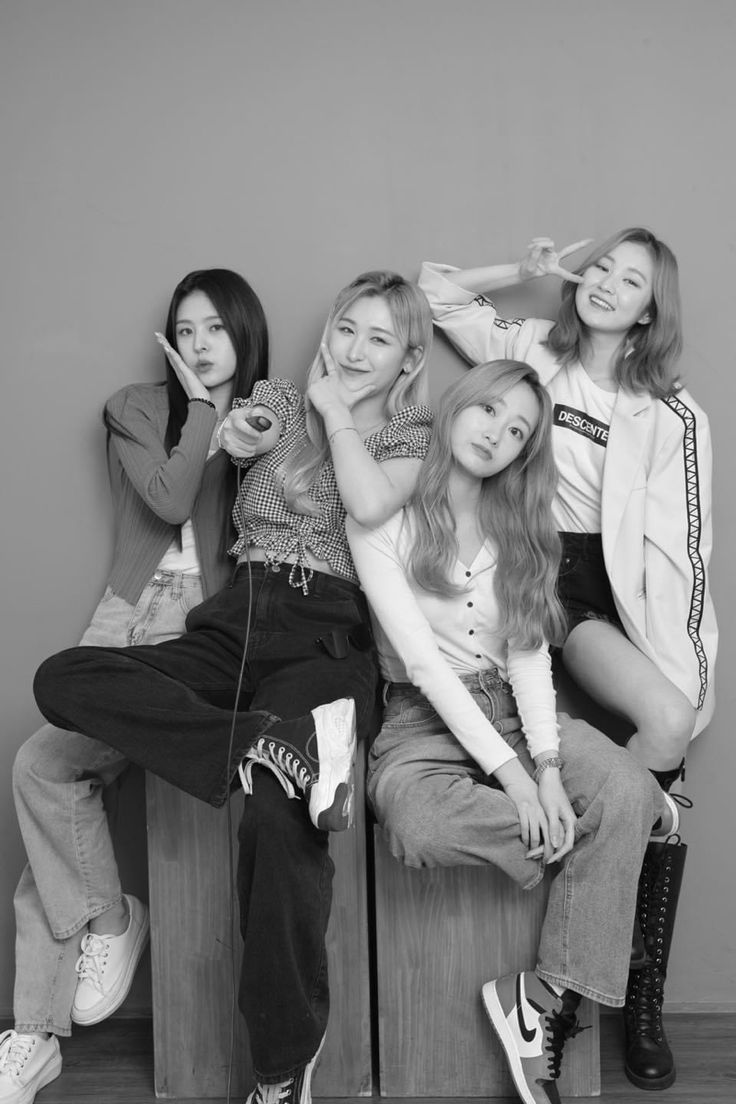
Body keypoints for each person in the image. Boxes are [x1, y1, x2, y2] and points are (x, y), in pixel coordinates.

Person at [32, 270, 434, 1104]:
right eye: (346, 328)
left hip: (327, 633)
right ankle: (256, 744)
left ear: (408, 359)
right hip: (236, 619)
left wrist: (334, 412)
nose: (356, 349)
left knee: (281, 824)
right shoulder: (283, 397)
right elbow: (250, 432)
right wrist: (246, 427)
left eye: (379, 338)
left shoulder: (409, 431)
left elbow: (365, 503)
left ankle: (282, 1069)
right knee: (63, 677)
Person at [417, 231, 717, 1088]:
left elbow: (688, 555)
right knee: (650, 758)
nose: (609, 288)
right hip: (536, 568)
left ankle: (622, 998)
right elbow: (433, 292)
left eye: (633, 282)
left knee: (670, 733)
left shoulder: (674, 413)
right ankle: (566, 992)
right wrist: (523, 271)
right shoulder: (526, 349)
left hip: (618, 593)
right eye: (603, 269)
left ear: (651, 310)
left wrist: (689, 669)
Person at [347, 359, 680, 1104]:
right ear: (458, 405)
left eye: (519, 430)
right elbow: (427, 668)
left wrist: (551, 769)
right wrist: (520, 784)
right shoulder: (383, 515)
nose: (497, 433)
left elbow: (527, 656)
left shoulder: (519, 526)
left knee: (626, 789)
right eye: (489, 410)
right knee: (417, 822)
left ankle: (542, 997)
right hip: (417, 721)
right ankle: (604, 868)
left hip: (510, 707)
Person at [0, 269, 269, 1104]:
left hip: (209, 642)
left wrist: (237, 429)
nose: (199, 344)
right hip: (126, 622)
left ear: (243, 335)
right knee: (48, 773)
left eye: (216, 329)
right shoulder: (136, 408)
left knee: (47, 788)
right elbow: (171, 493)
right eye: (185, 329)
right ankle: (91, 954)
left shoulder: (271, 421)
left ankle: (34, 1026)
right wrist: (202, 416)